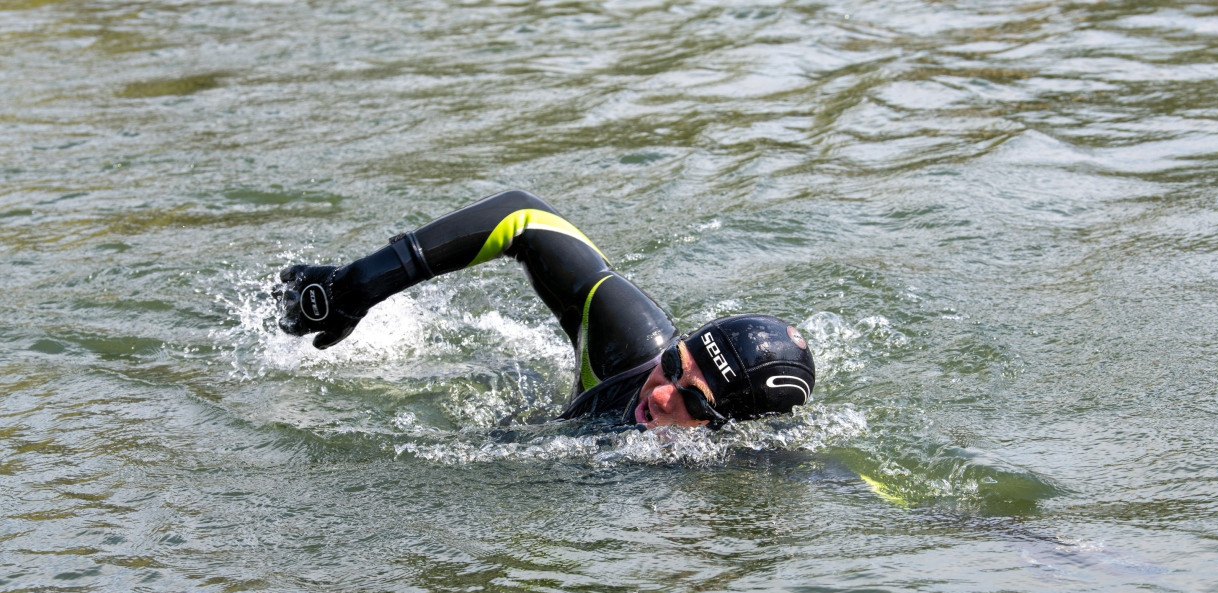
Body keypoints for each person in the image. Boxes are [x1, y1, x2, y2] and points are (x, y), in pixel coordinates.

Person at [274, 190, 815, 428]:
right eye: (674, 364)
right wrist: (360, 285)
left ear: (730, 426)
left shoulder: (744, 473)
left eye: (694, 403)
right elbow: (524, 216)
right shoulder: (631, 346)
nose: (660, 391)